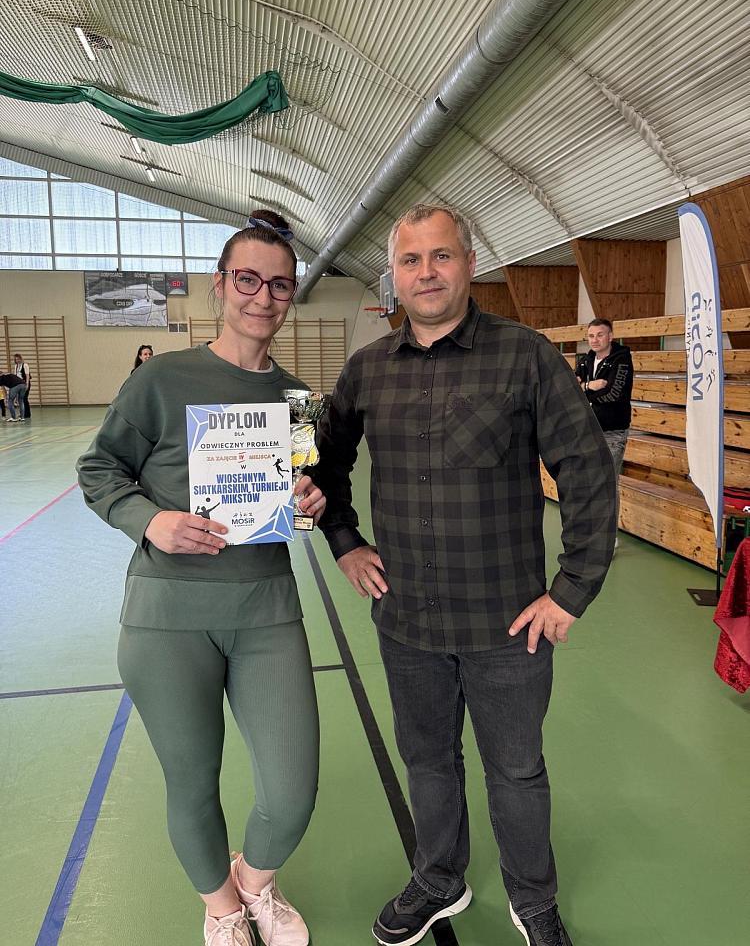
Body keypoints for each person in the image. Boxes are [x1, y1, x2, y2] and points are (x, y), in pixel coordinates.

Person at [311, 204, 617, 946]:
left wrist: (571, 590)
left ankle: (533, 898)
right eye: (410, 260)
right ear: (393, 275)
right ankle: (439, 879)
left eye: (441, 256)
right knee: (427, 761)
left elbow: (586, 473)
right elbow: (322, 461)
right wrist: (344, 540)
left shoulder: (525, 357)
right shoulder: (366, 370)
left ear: (470, 264)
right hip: (406, 620)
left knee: (516, 770)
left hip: (507, 623)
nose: (426, 273)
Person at [78, 220, 325, 946]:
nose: (262, 297)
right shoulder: (160, 379)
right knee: (191, 782)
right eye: (247, 279)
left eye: (279, 284)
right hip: (167, 617)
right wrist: (150, 521)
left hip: (265, 610)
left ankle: (255, 884)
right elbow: (99, 469)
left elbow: (300, 493)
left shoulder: (297, 399)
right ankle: (222, 910)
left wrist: (310, 500)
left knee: (292, 791)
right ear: (220, 285)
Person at [575, 318, 634, 541]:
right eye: (591, 336)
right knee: (588, 483)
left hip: (612, 433)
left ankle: (609, 537)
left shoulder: (622, 361)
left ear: (610, 336)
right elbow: (571, 388)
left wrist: (584, 391)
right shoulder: (585, 361)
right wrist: (589, 385)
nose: (595, 340)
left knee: (607, 484)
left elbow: (613, 395)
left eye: (600, 335)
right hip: (587, 431)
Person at [13, 353, 31, 419]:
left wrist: (27, 384)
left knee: (24, 398)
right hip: (18, 384)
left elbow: (27, 375)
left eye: (18, 359)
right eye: (16, 359)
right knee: (20, 399)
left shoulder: (25, 365)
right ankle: (22, 413)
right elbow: (15, 375)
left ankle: (27, 414)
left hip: (24, 383)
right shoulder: (16, 366)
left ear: (21, 359)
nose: (17, 360)